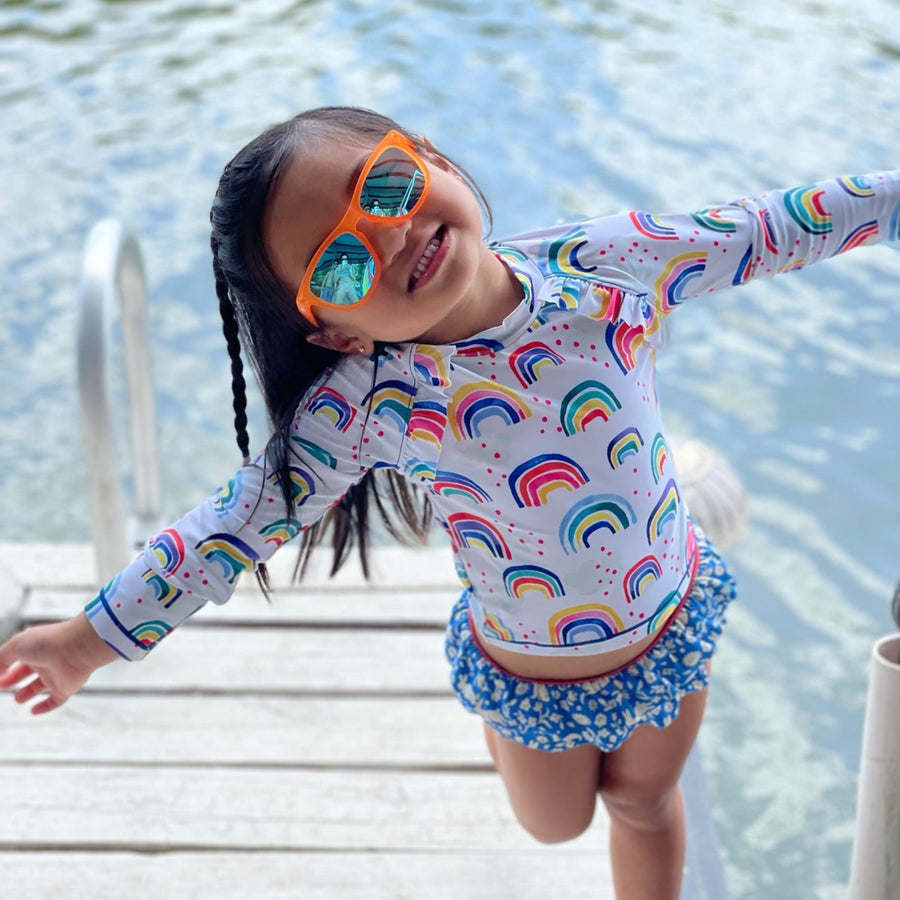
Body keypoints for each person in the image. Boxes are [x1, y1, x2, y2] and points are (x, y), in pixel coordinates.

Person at [0, 105, 896, 900]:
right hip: (528, 672)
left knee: (645, 802)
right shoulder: (367, 402)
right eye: (341, 264)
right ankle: (498, 731)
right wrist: (86, 643)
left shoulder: (605, 266)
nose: (388, 239)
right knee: (556, 826)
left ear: (429, 156)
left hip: (667, 622)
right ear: (338, 329)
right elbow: (231, 525)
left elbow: (775, 224)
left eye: (385, 187)